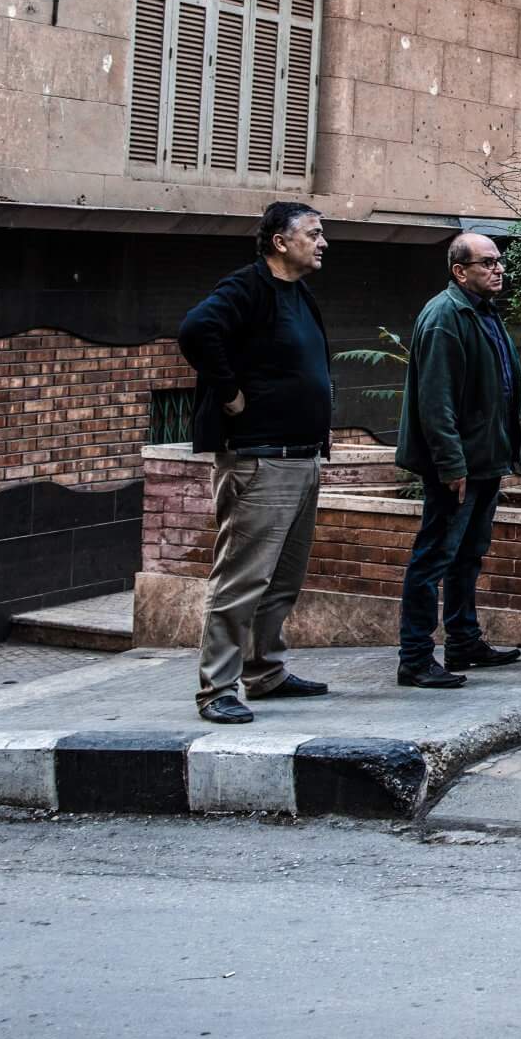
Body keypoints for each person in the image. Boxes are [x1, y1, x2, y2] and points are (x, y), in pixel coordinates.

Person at [177, 202, 336, 725]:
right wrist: (229, 393)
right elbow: (197, 330)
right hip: (261, 462)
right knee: (242, 579)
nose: (322, 242)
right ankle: (217, 688)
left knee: (283, 581)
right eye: (312, 234)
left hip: (302, 458)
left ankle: (265, 671)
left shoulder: (299, 293)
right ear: (279, 242)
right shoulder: (248, 287)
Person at [392, 232, 521, 688]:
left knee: (468, 555)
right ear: (460, 271)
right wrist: (452, 466)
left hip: (485, 460)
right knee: (433, 557)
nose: (498, 269)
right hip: (459, 467)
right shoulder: (445, 317)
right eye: (487, 263)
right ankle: (414, 657)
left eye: (499, 262)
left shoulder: (482, 313)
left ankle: (464, 641)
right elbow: (436, 402)